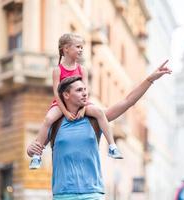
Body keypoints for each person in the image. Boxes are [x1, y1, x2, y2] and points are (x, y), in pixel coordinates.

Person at [27, 60, 171, 199]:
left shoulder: (95, 119)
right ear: (66, 95)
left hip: (93, 194)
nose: (85, 93)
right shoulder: (55, 124)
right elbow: (33, 150)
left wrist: (150, 79)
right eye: (79, 90)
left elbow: (128, 101)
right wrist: (31, 149)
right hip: (63, 195)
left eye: (85, 89)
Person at [29, 33, 123, 169]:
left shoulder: (82, 69)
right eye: (78, 47)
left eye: (82, 47)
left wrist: (83, 109)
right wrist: (65, 112)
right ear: (66, 49)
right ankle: (37, 156)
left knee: (98, 112)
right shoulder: (57, 70)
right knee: (48, 120)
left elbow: (86, 91)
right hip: (61, 104)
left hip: (81, 104)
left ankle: (112, 146)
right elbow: (56, 93)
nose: (81, 50)